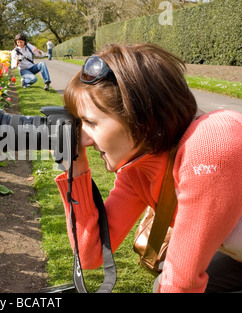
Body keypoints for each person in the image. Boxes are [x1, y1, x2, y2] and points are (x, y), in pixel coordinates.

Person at [55, 43, 242, 293]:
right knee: (161, 285)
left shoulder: (211, 142)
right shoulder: (137, 169)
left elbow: (182, 282)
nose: (84, 139)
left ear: (139, 115)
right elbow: (91, 255)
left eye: (90, 122)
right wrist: (75, 165)